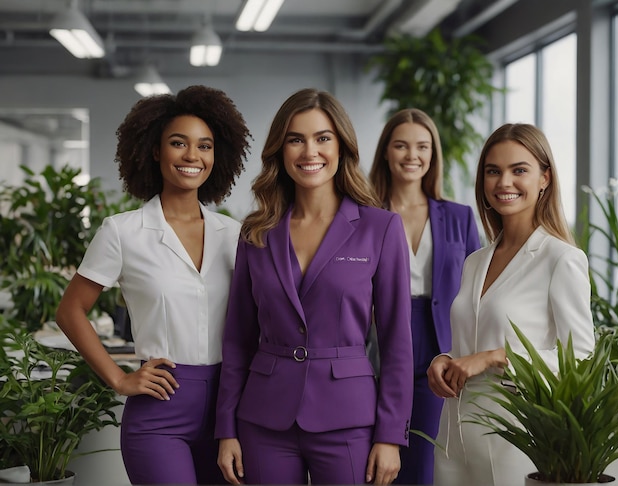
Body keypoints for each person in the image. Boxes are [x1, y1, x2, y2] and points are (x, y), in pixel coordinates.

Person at [215, 88, 413, 485]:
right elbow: (237, 337)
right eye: (296, 139)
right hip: (264, 419)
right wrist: (226, 428)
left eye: (323, 138)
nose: (310, 152)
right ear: (280, 150)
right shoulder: (256, 232)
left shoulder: (382, 228)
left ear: (341, 147)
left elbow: (397, 343)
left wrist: (391, 435)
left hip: (349, 419)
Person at [55, 85, 251, 485]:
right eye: (178, 143)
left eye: (205, 145)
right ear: (155, 150)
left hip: (231, 410)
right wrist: (118, 377)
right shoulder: (123, 232)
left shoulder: (235, 235)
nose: (192, 156)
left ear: (218, 155)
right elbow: (69, 311)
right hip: (161, 410)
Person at [427, 123, 596, 486]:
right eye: (493, 171)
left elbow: (580, 361)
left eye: (519, 170)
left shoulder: (561, 259)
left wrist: (495, 357)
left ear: (544, 179)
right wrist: (444, 361)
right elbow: (467, 344)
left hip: (516, 440)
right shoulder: (475, 261)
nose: (504, 182)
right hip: (454, 436)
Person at [369, 108, 481, 485]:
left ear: (433, 154)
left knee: (425, 466)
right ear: (386, 151)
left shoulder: (459, 216)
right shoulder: (362, 214)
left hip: (440, 352)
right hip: (377, 348)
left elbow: (477, 291)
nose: (411, 155)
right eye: (400, 145)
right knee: (376, 462)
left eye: (422, 146)